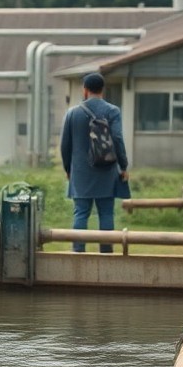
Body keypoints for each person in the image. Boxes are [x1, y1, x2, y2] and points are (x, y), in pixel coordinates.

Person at [60, 72, 128, 252]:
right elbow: (118, 139)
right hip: (107, 170)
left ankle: (78, 252)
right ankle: (106, 254)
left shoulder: (73, 113)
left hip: (80, 173)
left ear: (85, 90)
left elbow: (65, 145)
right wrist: (124, 166)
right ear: (102, 90)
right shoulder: (112, 111)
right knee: (106, 213)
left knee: (81, 213)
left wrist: (68, 169)